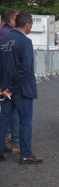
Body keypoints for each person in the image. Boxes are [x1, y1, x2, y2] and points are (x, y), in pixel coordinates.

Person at [0, 12, 43, 164]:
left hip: (4, 89)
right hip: (21, 89)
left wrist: (3, 88)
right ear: (28, 25)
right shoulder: (25, 41)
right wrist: (12, 88)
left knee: (3, 121)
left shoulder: (2, 39)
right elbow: (25, 68)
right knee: (25, 122)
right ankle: (25, 154)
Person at [0, 9, 20, 155]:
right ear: (13, 21)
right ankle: (16, 143)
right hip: (10, 83)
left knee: (6, 114)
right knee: (14, 113)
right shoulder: (9, 35)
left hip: (4, 81)